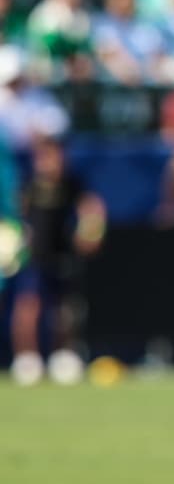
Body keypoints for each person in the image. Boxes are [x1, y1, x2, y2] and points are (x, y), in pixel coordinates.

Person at [8, 134, 106, 386]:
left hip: (62, 254)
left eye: (56, 155)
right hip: (35, 256)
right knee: (29, 306)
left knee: (64, 310)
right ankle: (27, 360)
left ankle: (63, 357)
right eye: (45, 155)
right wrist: (18, 238)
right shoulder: (30, 183)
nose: (51, 161)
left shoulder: (72, 183)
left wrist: (90, 232)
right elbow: (18, 213)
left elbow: (92, 208)